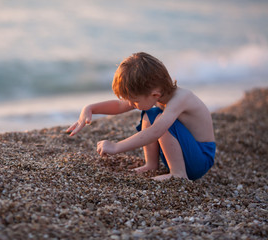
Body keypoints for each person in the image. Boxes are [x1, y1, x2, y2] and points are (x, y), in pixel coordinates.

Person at [66, 52, 215, 181]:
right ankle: (151, 165)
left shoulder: (181, 99)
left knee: (159, 121)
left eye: (134, 101)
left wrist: (116, 147)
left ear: (155, 94)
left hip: (200, 160)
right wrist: (90, 108)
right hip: (184, 153)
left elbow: (156, 131)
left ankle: (178, 174)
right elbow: (119, 106)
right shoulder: (154, 95)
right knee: (151, 113)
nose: (130, 104)